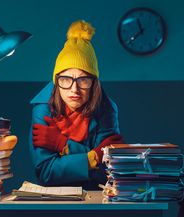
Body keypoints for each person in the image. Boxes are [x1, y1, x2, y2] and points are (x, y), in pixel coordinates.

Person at [29, 20, 124, 189]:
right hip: (53, 198)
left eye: (83, 80)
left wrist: (64, 145)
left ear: (94, 83)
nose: (74, 89)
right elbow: (45, 172)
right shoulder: (43, 108)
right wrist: (92, 157)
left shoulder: (107, 109)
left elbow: (108, 172)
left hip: (97, 198)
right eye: (65, 79)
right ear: (56, 81)